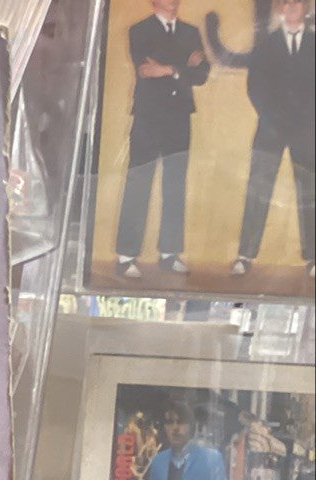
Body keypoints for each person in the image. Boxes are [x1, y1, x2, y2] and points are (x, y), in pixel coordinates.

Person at [114, 0, 211, 279]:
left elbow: (202, 74)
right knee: (139, 181)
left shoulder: (190, 32)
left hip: (179, 116)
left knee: (175, 183)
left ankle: (170, 253)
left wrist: (168, 69)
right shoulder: (139, 30)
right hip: (148, 116)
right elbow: (146, 69)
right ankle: (126, 256)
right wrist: (182, 66)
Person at [229, 0, 315, 280]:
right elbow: (255, 85)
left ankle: (313, 257)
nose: (292, 7)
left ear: (305, 8)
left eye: (297, 2)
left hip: (307, 130)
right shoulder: (266, 44)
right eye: (287, 2)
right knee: (259, 188)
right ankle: (245, 255)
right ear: (280, 9)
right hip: (270, 128)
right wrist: (271, 117)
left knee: (310, 192)